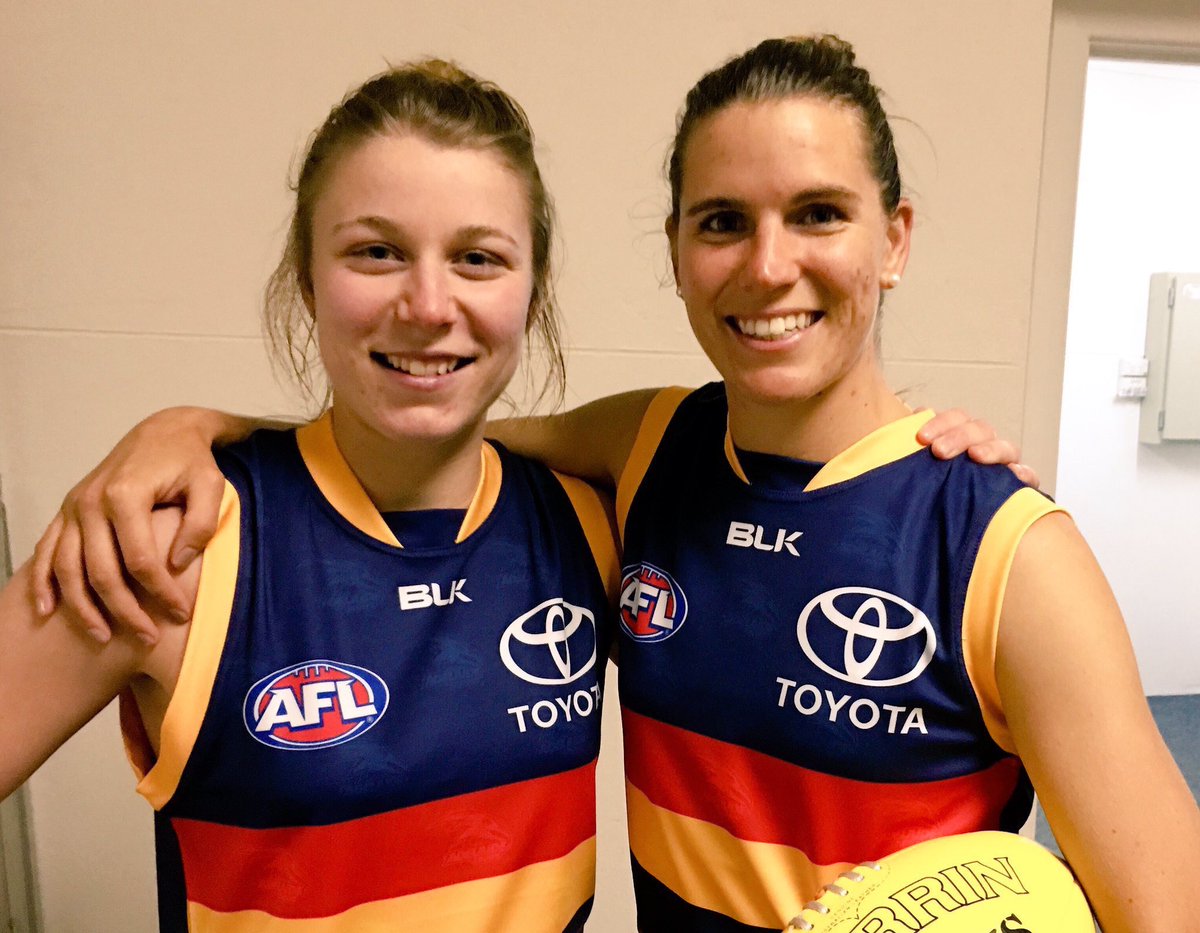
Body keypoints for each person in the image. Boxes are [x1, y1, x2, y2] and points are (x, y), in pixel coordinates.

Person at [30, 34, 1187, 933]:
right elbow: (429, 427)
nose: (769, 265)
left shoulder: (1008, 553)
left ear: (893, 240)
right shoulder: (645, 460)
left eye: (819, 215)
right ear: (678, 251)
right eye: (723, 222)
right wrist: (199, 431)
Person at [0, 60, 622, 932]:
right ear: (307, 276)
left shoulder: (589, 528)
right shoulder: (175, 545)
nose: (428, 304)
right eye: (377, 252)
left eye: (478, 258)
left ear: (533, 289)